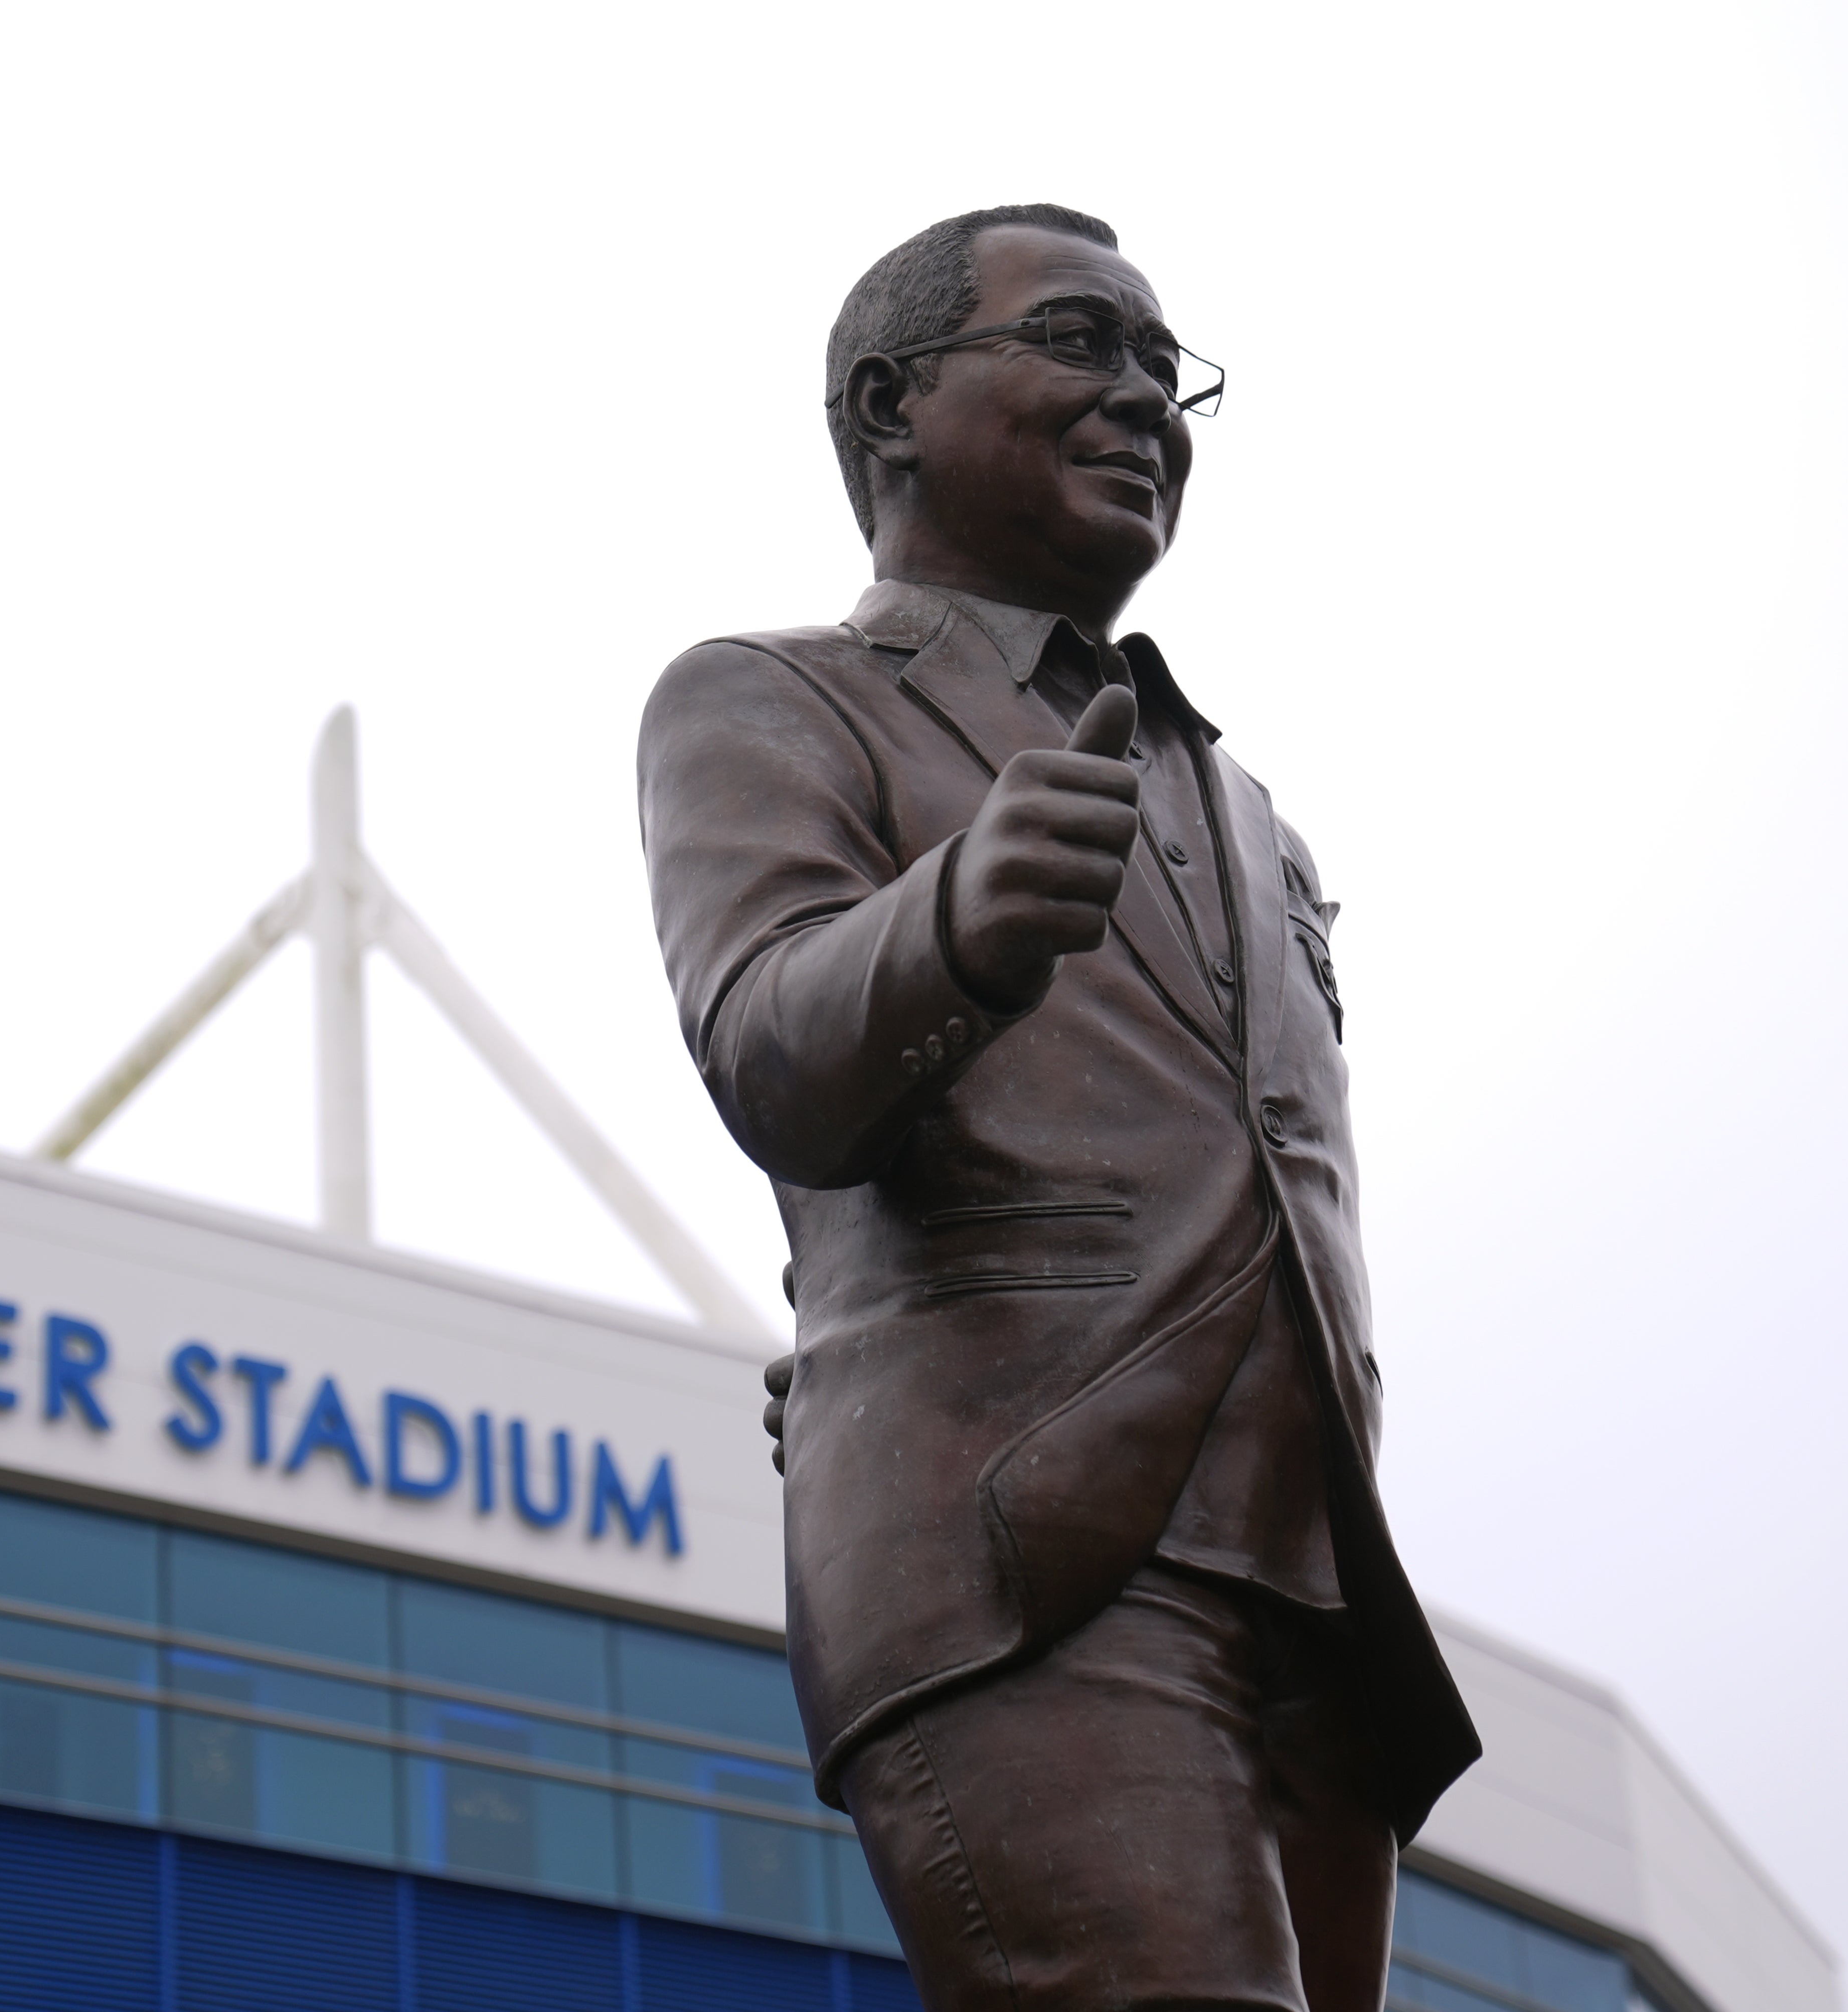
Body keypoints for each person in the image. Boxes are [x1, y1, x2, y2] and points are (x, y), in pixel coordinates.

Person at [635, 204, 1478, 2012]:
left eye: (1170, 376)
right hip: (1028, 1551)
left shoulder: (1252, 814)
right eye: (1082, 344)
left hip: (1310, 1587)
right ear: (891, 405)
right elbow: (774, 1051)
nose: (1145, 406)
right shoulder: (770, 700)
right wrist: (957, 916)